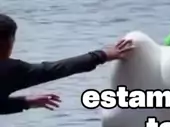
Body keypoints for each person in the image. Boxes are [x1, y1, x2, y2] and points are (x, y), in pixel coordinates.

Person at [0, 13, 135, 99]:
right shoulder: (9, 70)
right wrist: (102, 55)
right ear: (8, 42)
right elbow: (54, 70)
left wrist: (25, 103)